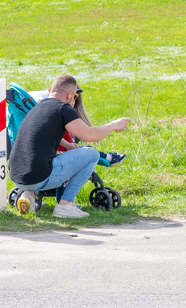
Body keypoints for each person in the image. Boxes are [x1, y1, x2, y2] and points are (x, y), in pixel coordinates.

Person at [9, 75, 130, 218]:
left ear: (50, 90)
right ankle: (65, 206)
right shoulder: (63, 108)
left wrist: (67, 145)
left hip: (16, 176)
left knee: (45, 160)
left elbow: (43, 133)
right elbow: (89, 135)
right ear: (70, 95)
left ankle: (28, 193)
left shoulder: (37, 107)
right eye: (75, 96)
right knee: (92, 154)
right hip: (39, 177)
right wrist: (113, 125)